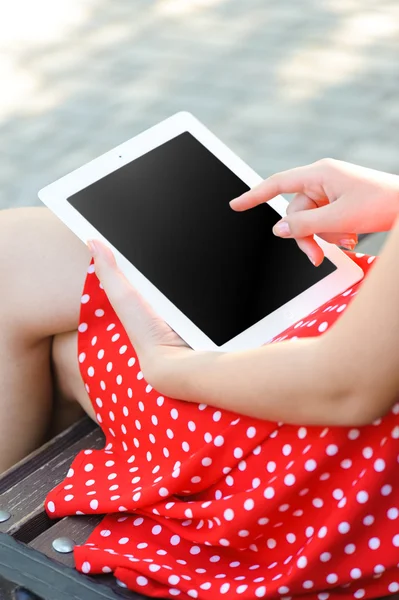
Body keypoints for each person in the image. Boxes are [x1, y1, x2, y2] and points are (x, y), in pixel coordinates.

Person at [1, 158, 398, 600]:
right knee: (63, 340)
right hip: (364, 370)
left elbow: (343, 388)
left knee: (14, 260)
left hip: (346, 470)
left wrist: (171, 368)